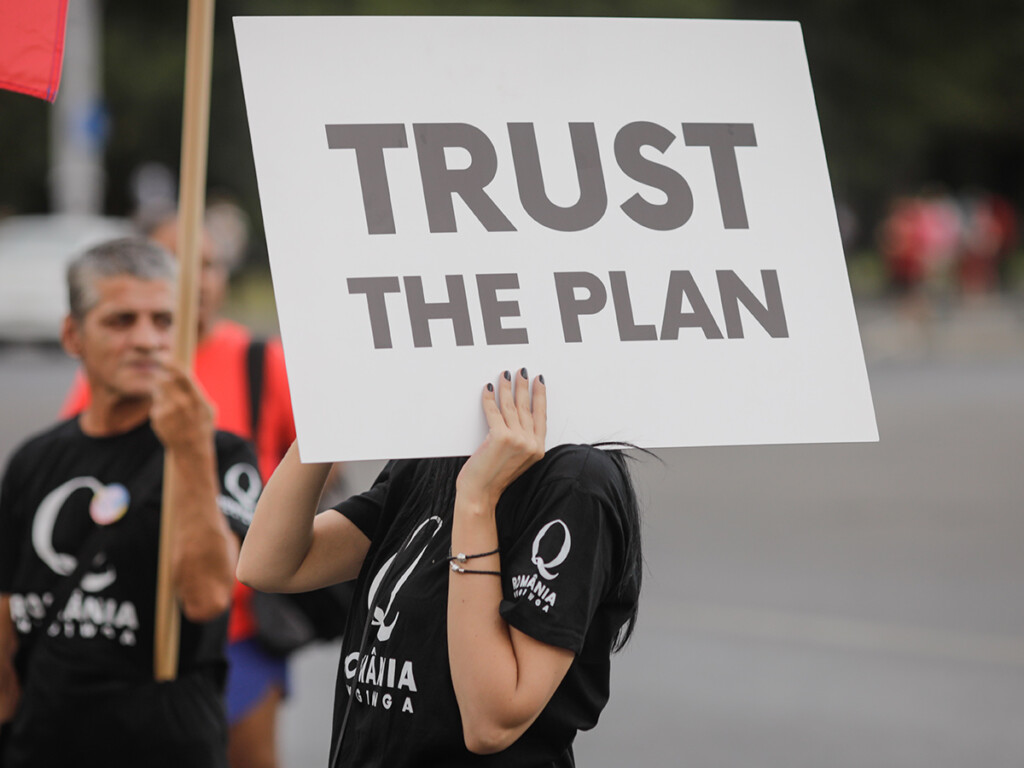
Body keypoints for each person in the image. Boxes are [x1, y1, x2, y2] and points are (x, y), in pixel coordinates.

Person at [237, 368, 643, 767]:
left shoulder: (577, 482)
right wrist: (325, 421)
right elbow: (269, 564)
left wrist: (476, 500)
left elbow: (491, 723)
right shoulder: (440, 449)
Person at [0, 238, 259, 767]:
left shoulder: (221, 453)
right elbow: (4, 614)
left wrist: (189, 449)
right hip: (40, 743)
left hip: (163, 746)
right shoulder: (34, 460)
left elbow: (209, 596)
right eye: (121, 321)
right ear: (73, 334)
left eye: (163, 321)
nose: (147, 340)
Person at [59, 213, 300, 768]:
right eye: (177, 262)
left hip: (238, 626)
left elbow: (308, 458)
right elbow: (80, 465)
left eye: (209, 264)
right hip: (137, 623)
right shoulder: (116, 365)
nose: (198, 279)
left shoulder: (260, 361)